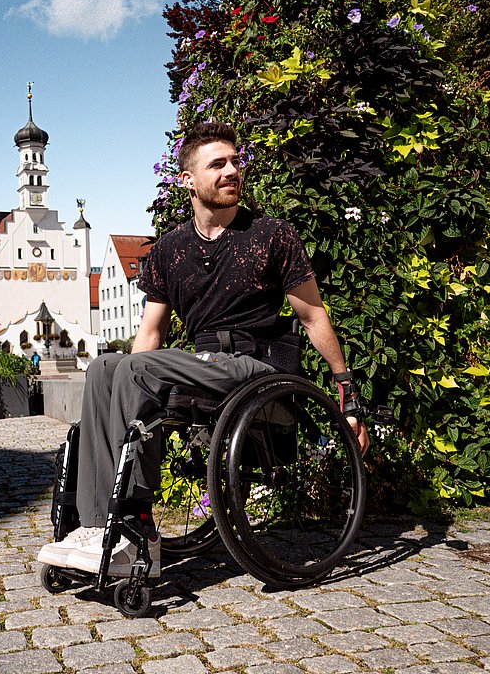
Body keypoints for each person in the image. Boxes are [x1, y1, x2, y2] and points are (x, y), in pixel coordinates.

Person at [37, 122, 370, 578]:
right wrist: (123, 376)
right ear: (188, 180)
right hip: (206, 363)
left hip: (259, 367)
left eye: (235, 162)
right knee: (104, 368)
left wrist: (346, 389)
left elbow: (313, 317)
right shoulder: (170, 249)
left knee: (136, 371)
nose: (232, 171)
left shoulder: (271, 235)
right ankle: (95, 528)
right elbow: (151, 333)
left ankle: (133, 527)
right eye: (218, 164)